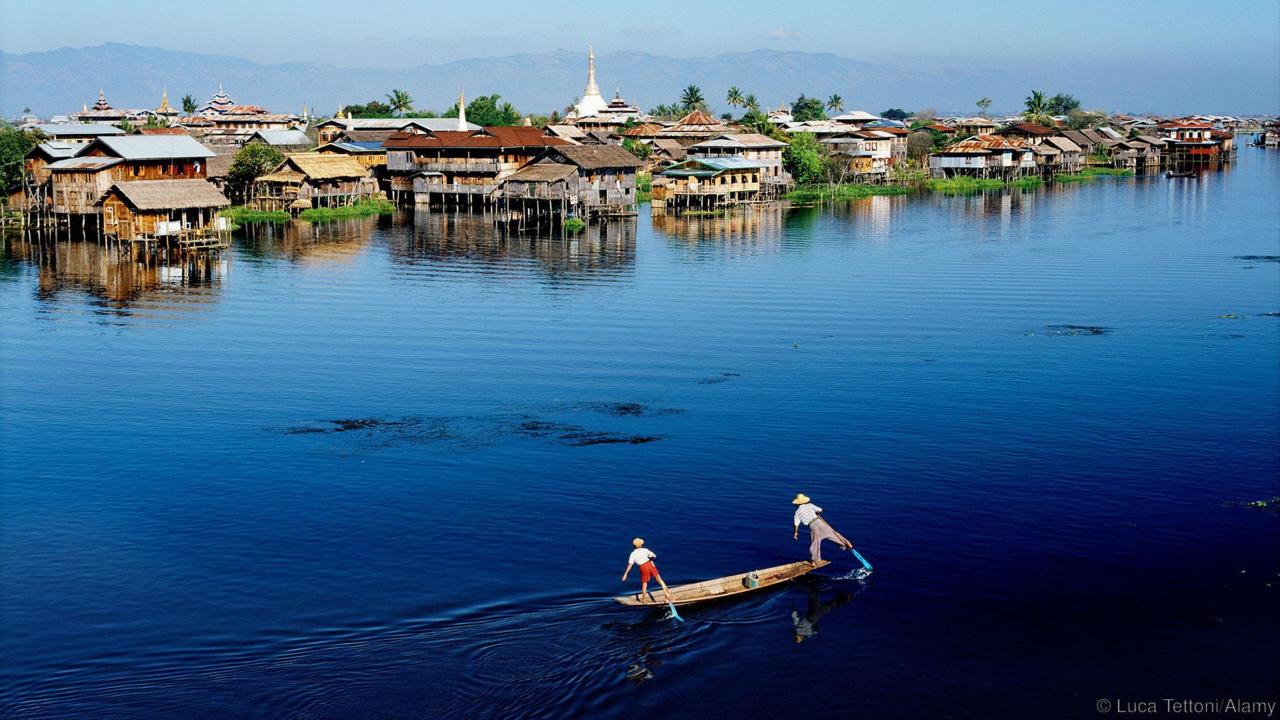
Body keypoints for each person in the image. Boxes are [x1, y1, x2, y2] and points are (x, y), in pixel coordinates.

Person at [792, 493, 853, 565]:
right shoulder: (810, 505)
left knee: (815, 544)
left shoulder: (797, 512)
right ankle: (846, 544)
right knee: (834, 534)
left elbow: (796, 524)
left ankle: (814, 561)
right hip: (821, 523)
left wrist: (795, 533)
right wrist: (817, 512)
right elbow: (820, 509)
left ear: (797, 503)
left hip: (813, 526)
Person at [621, 537, 672, 605]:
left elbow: (630, 564)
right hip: (649, 564)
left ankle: (644, 600)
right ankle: (667, 594)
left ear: (634, 546)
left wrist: (625, 574)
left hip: (642, 567)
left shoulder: (633, 554)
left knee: (644, 584)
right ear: (641, 544)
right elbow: (654, 556)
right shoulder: (645, 550)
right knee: (659, 580)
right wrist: (651, 556)